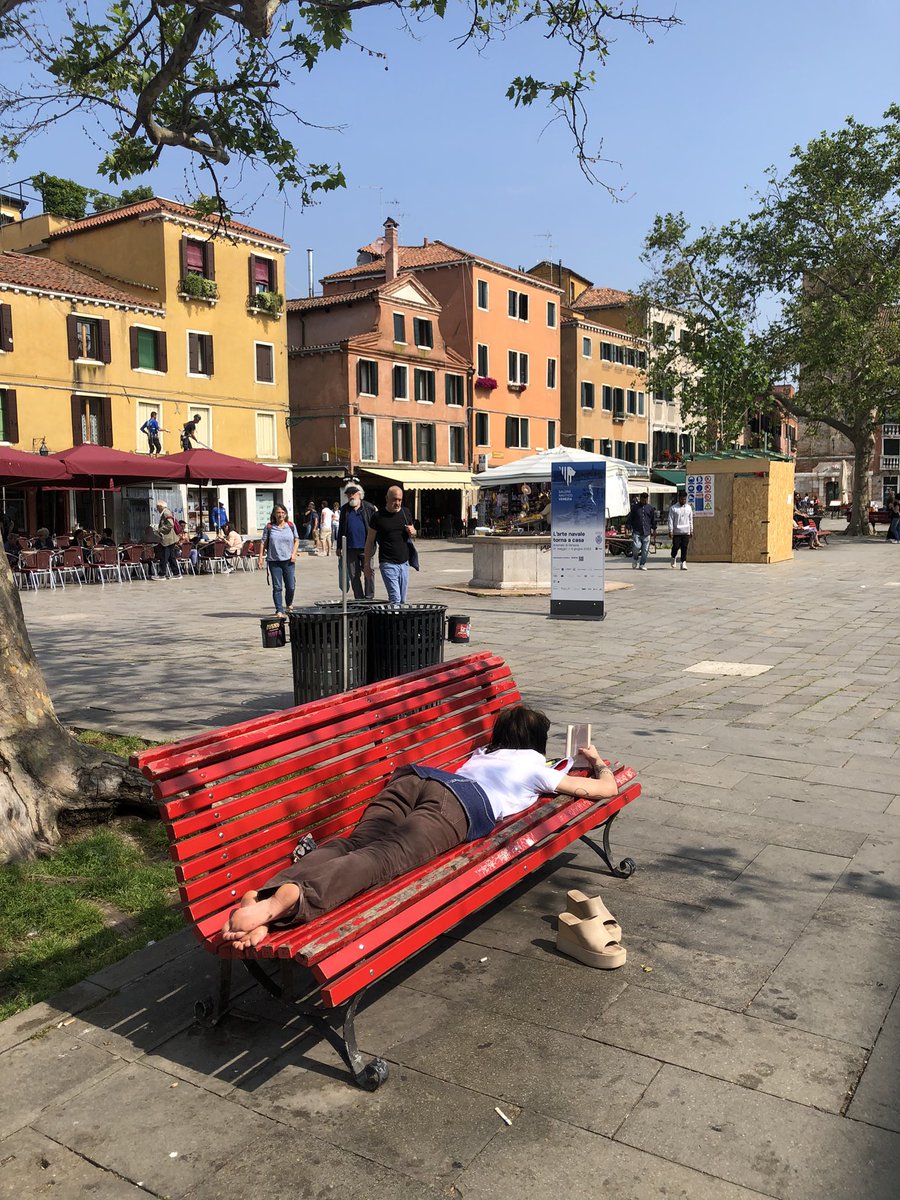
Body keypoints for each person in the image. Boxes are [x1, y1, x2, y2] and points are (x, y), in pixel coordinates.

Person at [221, 704, 619, 950]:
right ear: (535, 743)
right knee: (381, 858)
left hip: (418, 779)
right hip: (458, 806)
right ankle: (298, 897)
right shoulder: (536, 768)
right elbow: (604, 788)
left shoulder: (482, 753)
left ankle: (268, 895)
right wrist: (596, 759)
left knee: (354, 842)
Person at [364, 485, 416, 603]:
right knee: (395, 598)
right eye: (394, 499)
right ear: (387, 498)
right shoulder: (377, 517)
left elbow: (413, 533)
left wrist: (413, 532)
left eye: (400, 500)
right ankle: (394, 620)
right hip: (387, 563)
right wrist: (367, 564)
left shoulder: (405, 513)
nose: (397, 503)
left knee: (402, 600)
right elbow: (370, 541)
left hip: (404, 563)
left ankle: (398, 620)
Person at [335, 483, 377, 599]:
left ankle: (369, 597)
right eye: (349, 494)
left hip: (366, 548)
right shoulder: (344, 510)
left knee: (369, 573)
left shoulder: (369, 508)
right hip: (350, 548)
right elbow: (341, 529)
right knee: (353, 575)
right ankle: (359, 598)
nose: (351, 496)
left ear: (359, 494)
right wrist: (339, 546)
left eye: (353, 494)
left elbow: (375, 527)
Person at [258, 503, 299, 616]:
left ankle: (289, 603)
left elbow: (296, 540)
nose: (281, 515)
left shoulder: (291, 525)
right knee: (277, 587)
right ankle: (279, 609)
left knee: (291, 586)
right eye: (278, 513)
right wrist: (260, 557)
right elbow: (263, 543)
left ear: (285, 514)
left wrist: (294, 554)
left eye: (282, 512)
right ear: (274, 515)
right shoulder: (269, 527)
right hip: (274, 561)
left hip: (289, 561)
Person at [627, 492, 656, 571]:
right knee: (636, 547)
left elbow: (653, 520)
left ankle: (642, 564)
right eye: (643, 499)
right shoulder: (635, 508)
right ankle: (635, 558)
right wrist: (628, 526)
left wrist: (654, 529)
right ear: (640, 499)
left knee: (645, 550)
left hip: (647, 532)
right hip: (637, 531)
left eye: (646, 500)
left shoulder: (650, 508)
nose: (644, 501)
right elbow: (630, 518)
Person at [153, 500, 181, 579]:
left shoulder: (166, 513)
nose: (157, 509)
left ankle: (162, 574)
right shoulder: (167, 512)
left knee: (164, 557)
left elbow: (170, 524)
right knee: (171, 557)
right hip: (171, 538)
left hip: (168, 539)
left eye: (157, 507)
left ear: (161, 507)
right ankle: (176, 573)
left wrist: (160, 530)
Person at [668, 488, 694, 571]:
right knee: (675, 547)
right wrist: (670, 530)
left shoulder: (689, 508)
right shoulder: (673, 508)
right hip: (677, 532)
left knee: (684, 547)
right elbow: (670, 520)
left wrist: (691, 530)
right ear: (679, 498)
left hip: (686, 531)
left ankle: (683, 562)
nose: (683, 500)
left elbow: (690, 520)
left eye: (685, 499)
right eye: (682, 499)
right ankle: (673, 557)